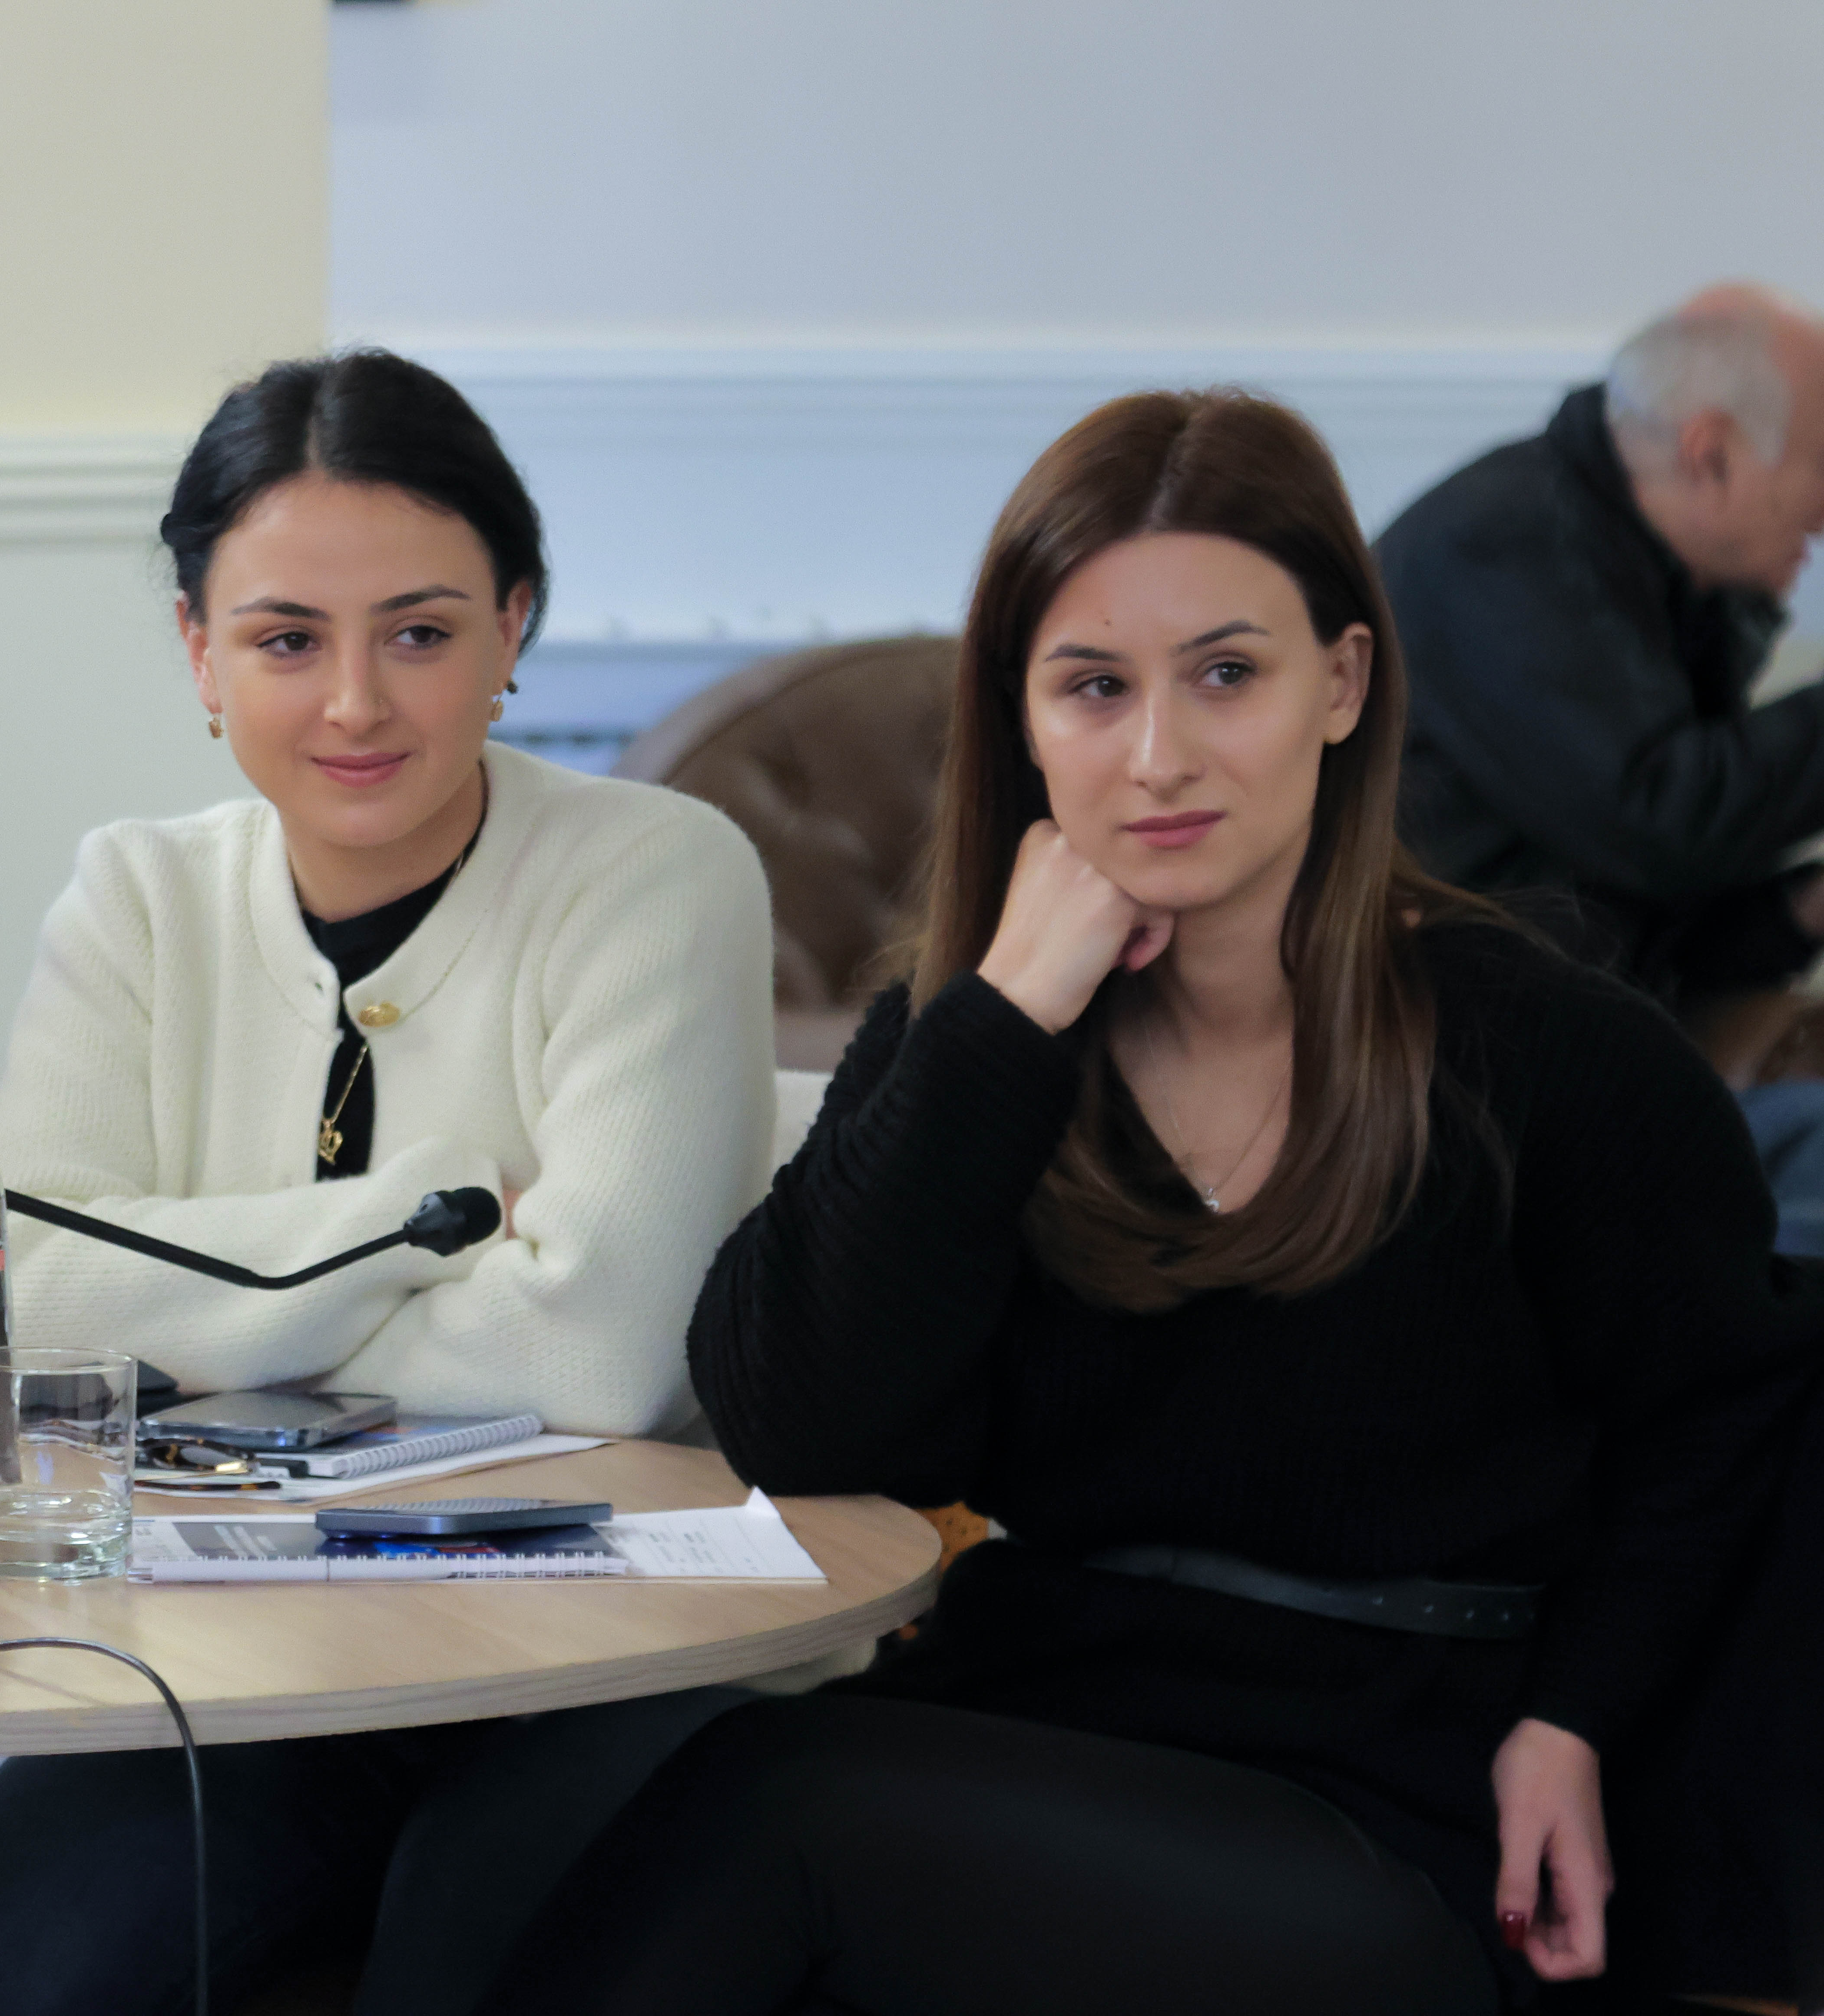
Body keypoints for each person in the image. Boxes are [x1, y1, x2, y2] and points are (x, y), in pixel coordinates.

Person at [477, 391, 1824, 2016]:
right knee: (604, 1822)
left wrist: (1578, 1720)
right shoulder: (980, 1041)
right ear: (1023, 717)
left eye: (1228, 675)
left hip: (1394, 1811)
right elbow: (801, 1424)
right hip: (1024, 1747)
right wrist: (1005, 1018)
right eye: (1094, 687)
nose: (1160, 755)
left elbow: (1725, 1425)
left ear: (1343, 684)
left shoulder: (1550, 1050)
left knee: (767, 1810)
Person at [0, 351, 777, 2016]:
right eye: (288, 640)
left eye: (420, 634)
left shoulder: (657, 872)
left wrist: (195, 1310)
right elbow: (29, 1311)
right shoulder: (137, 896)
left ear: (514, 628)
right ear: (199, 653)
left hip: (594, 1657)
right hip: (229, 1653)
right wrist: (430, 1212)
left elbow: (601, 1358)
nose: (357, 704)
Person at [1379, 285, 1824, 1250]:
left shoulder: (1663, 576)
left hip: (1584, 1043)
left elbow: (1644, 910)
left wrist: (1802, 910)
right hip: (1459, 1089)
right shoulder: (1498, 545)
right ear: (1712, 453)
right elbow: (1665, 820)